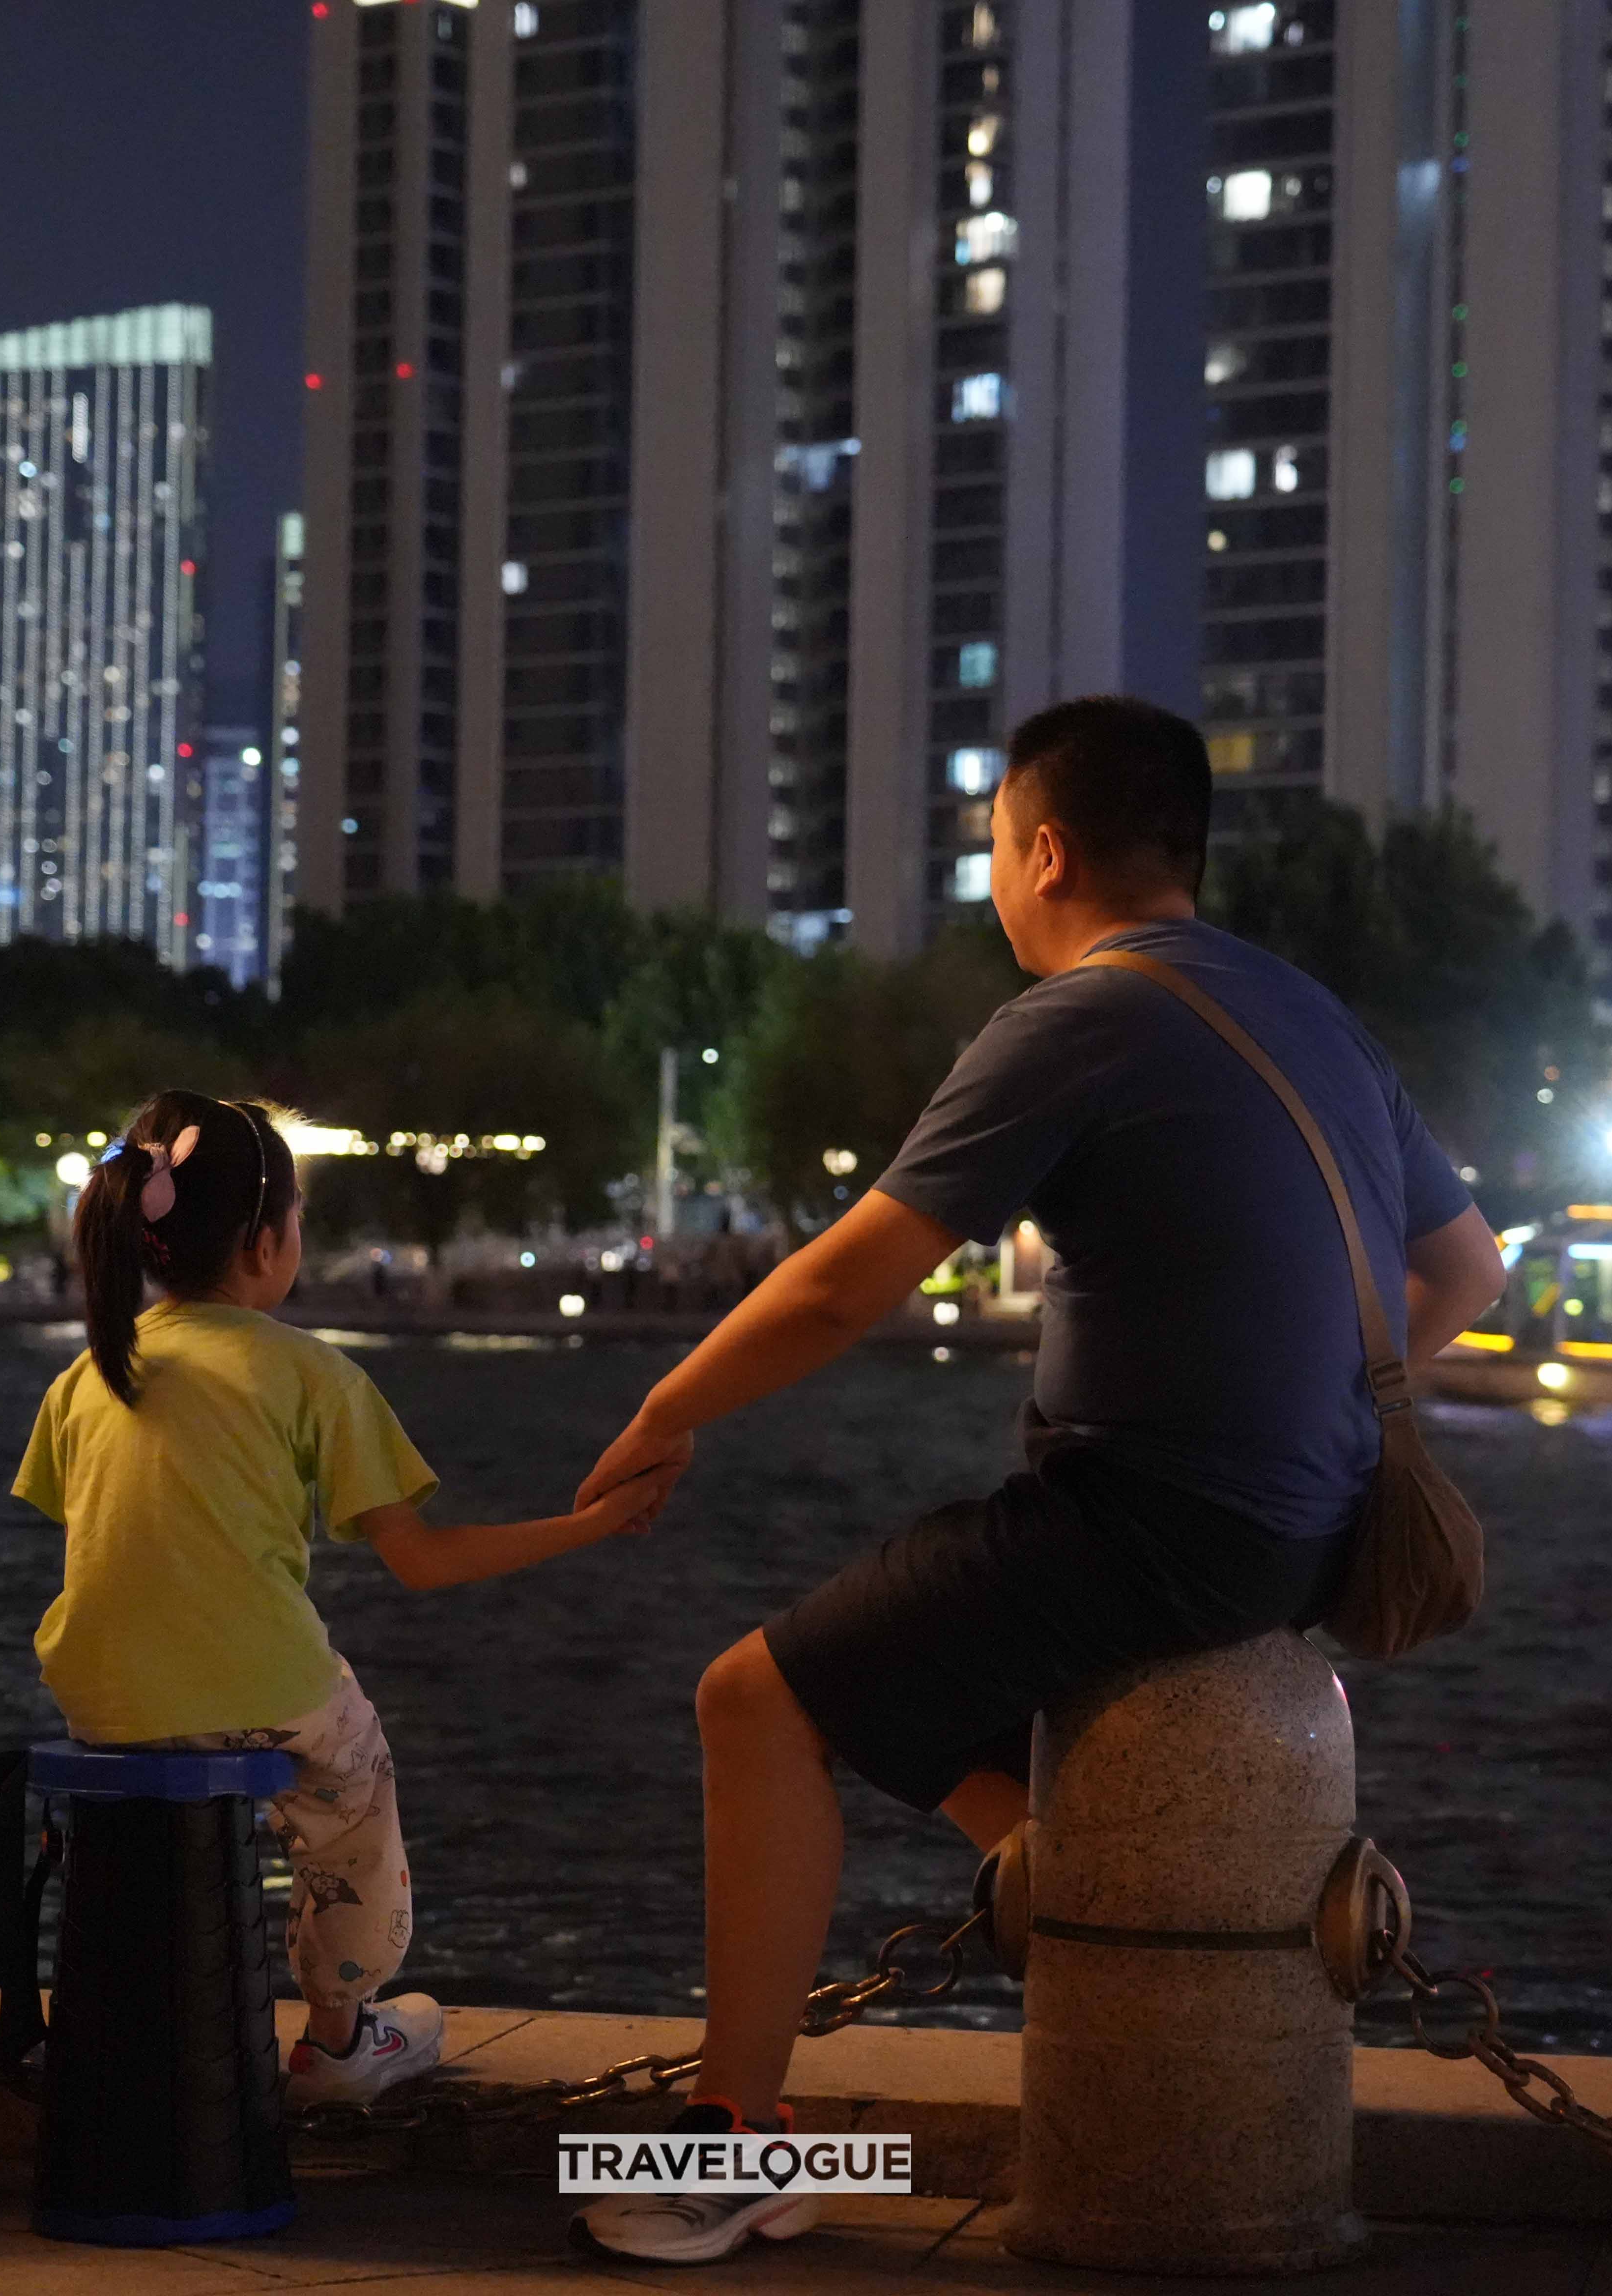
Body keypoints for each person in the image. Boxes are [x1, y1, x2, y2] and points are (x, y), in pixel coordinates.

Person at [566, 696, 1510, 2265]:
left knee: (755, 1700)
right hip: (1312, 1527)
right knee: (906, 1678)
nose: (993, 881)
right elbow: (1466, 1272)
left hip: (1158, 1525)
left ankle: (733, 2147)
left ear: (1048, 850)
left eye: (993, 849)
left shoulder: (1081, 1016)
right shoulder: (1311, 1012)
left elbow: (840, 1289)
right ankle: (1063, 1861)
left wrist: (665, 1406)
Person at [18, 1089, 679, 2103]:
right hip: (257, 1685)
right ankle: (337, 2037)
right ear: (266, 1239)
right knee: (351, 1791)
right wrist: (589, 1523)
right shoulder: (310, 1373)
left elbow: (116, 1541)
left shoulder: (85, 1375)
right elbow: (423, 1558)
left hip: (99, 1697)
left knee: (237, 1727)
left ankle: (143, 2005)